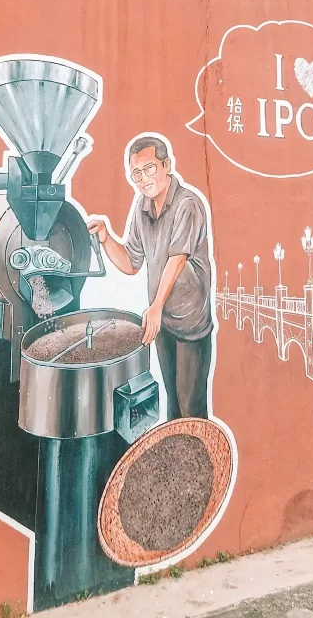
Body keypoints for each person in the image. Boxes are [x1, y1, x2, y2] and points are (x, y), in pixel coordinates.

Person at [87, 135, 213, 420]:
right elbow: (131, 263)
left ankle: (199, 464)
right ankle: (177, 465)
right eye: (136, 173)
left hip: (191, 322)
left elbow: (177, 258)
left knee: (191, 409)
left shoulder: (187, 204)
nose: (143, 179)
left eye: (149, 169)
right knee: (173, 406)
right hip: (162, 322)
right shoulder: (142, 207)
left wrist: (154, 307)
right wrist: (107, 238)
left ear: (166, 165)